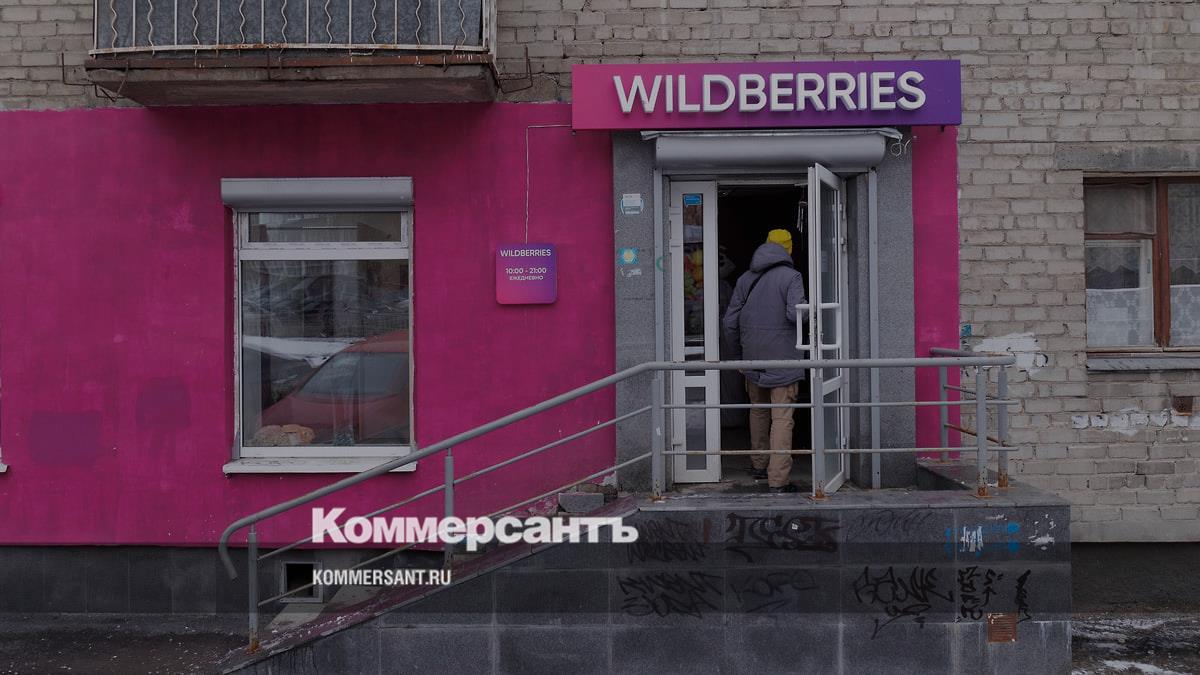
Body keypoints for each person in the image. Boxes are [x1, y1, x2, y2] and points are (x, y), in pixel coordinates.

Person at [721, 229, 807, 493]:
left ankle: (758, 465)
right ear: (789, 250)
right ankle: (778, 480)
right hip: (784, 361)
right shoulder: (792, 277)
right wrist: (810, 311)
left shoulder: (745, 279)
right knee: (782, 418)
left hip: (752, 358)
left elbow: (729, 323)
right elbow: (795, 315)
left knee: (758, 410)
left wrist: (738, 356)